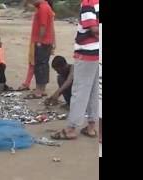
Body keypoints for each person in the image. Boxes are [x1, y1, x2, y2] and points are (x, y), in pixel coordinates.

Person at [51, 0, 99, 140]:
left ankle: (71, 128)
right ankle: (91, 127)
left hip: (87, 54)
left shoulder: (89, 3)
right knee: (94, 91)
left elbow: (94, 29)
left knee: (80, 91)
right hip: (97, 54)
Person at [18, 0, 56, 91]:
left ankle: (38, 89)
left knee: (37, 64)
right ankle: (40, 88)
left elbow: (43, 26)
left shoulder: (43, 8)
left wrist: (39, 41)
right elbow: (51, 28)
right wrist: (54, 42)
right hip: (45, 41)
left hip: (40, 41)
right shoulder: (44, 8)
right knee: (41, 64)